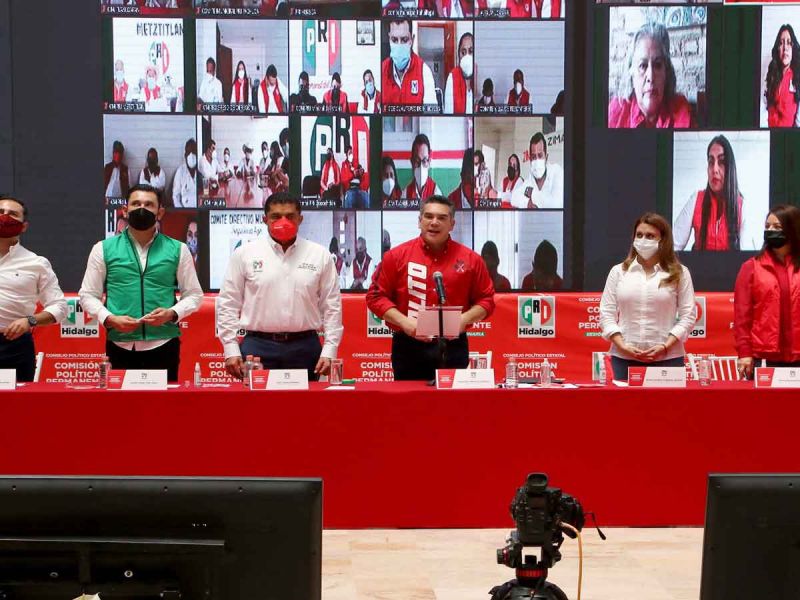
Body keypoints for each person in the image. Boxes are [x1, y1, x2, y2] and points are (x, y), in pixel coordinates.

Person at [79, 184, 203, 382]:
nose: (141, 209)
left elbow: (194, 295)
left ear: (160, 212)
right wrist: (110, 318)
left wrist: (172, 313)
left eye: (148, 204)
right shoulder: (103, 249)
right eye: (136, 204)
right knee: (121, 402)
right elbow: (87, 295)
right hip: (119, 345)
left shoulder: (178, 249)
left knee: (162, 402)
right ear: (125, 210)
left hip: (164, 344)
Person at [216, 192, 343, 381]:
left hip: (305, 347)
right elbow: (228, 303)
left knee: (306, 401)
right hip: (257, 347)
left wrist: (330, 350)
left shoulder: (319, 255)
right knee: (257, 401)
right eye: (276, 216)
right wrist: (230, 348)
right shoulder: (244, 254)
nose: (283, 222)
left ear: (300, 219)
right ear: (264, 219)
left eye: (290, 216)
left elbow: (331, 306)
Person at [366, 195, 496, 381]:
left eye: (442, 218)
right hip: (408, 346)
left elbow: (487, 300)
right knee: (410, 399)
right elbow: (375, 297)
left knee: (453, 400)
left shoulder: (472, 260)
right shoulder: (395, 257)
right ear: (419, 221)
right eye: (428, 216)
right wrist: (405, 322)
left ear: (452, 224)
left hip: (453, 345)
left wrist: (464, 319)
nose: (434, 222)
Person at [599, 212, 696, 381]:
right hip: (624, 358)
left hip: (668, 358)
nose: (643, 240)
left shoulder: (680, 273)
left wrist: (665, 346)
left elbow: (688, 315)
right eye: (639, 235)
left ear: (663, 240)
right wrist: (622, 346)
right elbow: (606, 314)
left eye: (650, 236)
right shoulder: (618, 272)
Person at [0, 195, 67, 382]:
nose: (5, 217)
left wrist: (30, 320)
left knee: (17, 401)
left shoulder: (36, 263)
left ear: (24, 226)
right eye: (1, 212)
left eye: (12, 214)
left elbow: (60, 307)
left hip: (13, 347)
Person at [734, 205, 800, 378]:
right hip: (764, 356)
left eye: (777, 227)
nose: (770, 230)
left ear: (792, 229)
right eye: (767, 226)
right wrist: (744, 352)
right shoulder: (751, 267)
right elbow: (742, 317)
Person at [608, 22, 693, 129]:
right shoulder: (616, 112)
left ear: (666, 73)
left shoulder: (680, 109)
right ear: (632, 74)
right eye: (642, 66)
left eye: (658, 65)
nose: (651, 77)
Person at [673, 135, 746, 251]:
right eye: (711, 162)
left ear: (730, 167)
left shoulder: (742, 206)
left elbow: (747, 256)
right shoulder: (696, 199)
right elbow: (672, 246)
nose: (714, 169)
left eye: (721, 162)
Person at [381, 19, 437, 108]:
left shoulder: (424, 72)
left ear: (412, 40)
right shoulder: (381, 70)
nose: (399, 45)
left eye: (404, 40)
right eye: (394, 40)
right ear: (389, 39)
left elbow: (431, 113)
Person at [511, 132, 564, 209]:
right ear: (530, 159)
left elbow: (556, 204)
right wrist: (528, 203)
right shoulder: (530, 179)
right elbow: (514, 198)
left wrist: (532, 194)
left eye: (540, 155)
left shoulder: (557, 171)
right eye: (533, 157)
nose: (537, 160)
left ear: (546, 157)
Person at [764, 24, 800, 128]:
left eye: (789, 43)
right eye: (781, 43)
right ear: (777, 48)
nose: (785, 48)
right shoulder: (771, 74)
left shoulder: (797, 76)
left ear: (793, 48)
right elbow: (764, 106)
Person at [405, 134, 442, 200]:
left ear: (429, 162)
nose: (421, 167)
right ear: (412, 162)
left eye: (424, 161)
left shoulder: (436, 193)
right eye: (417, 161)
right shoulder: (405, 194)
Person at [444, 32, 474, 115]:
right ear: (459, 55)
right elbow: (448, 114)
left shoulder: (480, 75)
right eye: (463, 52)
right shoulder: (452, 77)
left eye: (471, 51)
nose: (467, 56)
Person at [341, 145, 370, 209]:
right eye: (349, 153)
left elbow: (363, 176)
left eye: (352, 153)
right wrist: (353, 175)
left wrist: (361, 172)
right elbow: (344, 179)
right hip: (350, 190)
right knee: (350, 198)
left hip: (359, 189)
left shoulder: (356, 164)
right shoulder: (344, 165)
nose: (351, 154)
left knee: (366, 197)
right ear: (346, 155)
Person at [172, 138, 198, 208]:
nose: (191, 155)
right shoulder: (180, 172)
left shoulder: (200, 170)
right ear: (185, 155)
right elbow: (175, 197)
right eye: (189, 152)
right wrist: (182, 211)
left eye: (193, 152)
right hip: (185, 210)